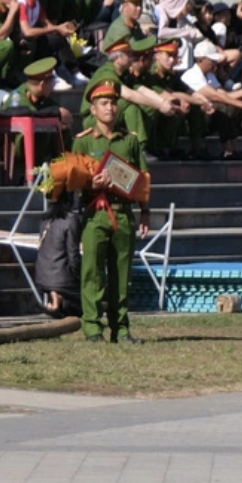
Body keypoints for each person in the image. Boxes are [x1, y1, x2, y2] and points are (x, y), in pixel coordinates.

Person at [69, 80, 149, 341]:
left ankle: (121, 329)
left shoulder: (129, 141)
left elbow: (142, 180)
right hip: (95, 214)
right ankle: (92, 327)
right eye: (104, 103)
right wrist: (91, 183)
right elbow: (72, 180)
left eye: (114, 103)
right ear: (93, 110)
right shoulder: (82, 142)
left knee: (121, 274)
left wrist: (145, 212)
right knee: (92, 273)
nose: (110, 108)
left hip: (123, 213)